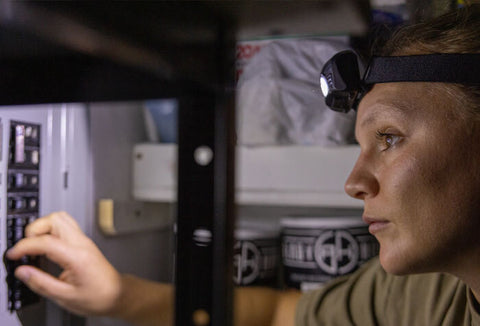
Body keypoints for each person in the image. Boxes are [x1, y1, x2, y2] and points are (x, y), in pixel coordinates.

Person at [6, 3, 480, 326]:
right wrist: (117, 295)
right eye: (361, 146)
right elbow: (281, 313)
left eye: (390, 138)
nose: (354, 182)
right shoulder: (434, 293)